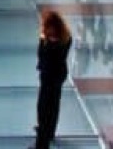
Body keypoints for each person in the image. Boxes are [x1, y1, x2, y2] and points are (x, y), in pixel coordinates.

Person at [34, 9, 73, 149]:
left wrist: (45, 42)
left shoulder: (52, 42)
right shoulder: (66, 37)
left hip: (50, 76)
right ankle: (49, 132)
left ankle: (41, 144)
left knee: (44, 109)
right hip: (58, 74)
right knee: (54, 104)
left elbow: (44, 56)